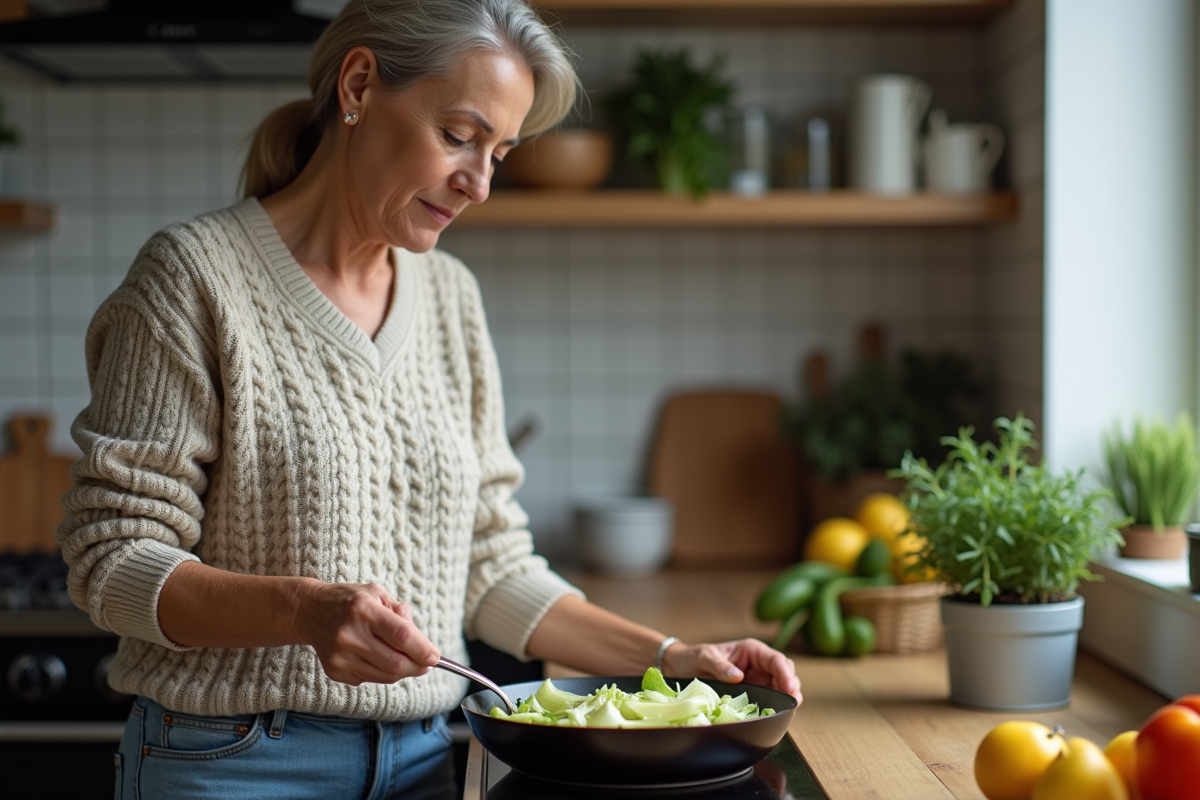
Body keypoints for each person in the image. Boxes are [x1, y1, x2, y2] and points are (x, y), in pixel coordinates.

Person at [57, 1, 801, 798]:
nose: (478, 183)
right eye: (458, 136)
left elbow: (489, 567)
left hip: (421, 761)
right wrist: (302, 612)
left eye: (500, 153)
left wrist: (671, 659)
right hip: (232, 763)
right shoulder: (193, 280)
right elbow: (112, 558)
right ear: (360, 85)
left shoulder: (450, 298)